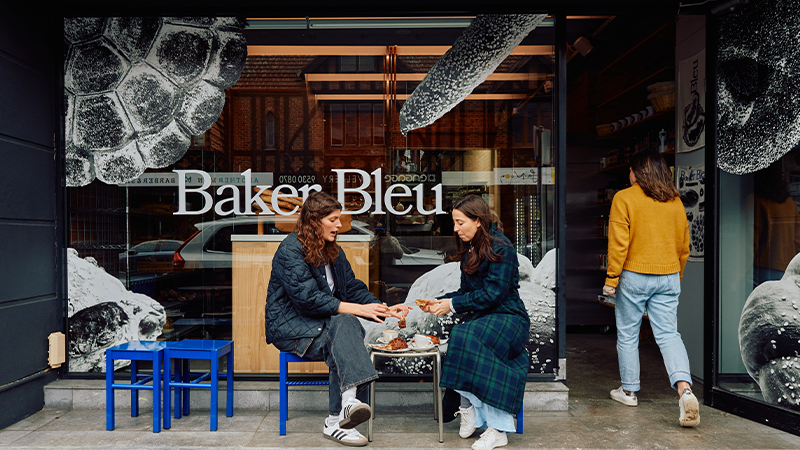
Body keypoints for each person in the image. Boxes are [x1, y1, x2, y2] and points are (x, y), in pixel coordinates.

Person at [264, 192, 411, 447]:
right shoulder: (289, 250)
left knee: (343, 331)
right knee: (346, 326)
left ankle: (343, 411)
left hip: (326, 325)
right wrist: (357, 310)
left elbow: (351, 287)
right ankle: (339, 416)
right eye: (332, 220)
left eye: (339, 219)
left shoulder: (333, 250)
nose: (339, 225)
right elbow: (307, 299)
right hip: (293, 327)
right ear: (314, 221)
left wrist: (381, 308)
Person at [421, 195, 530, 450]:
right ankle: (469, 408)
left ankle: (498, 428)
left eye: (460, 222)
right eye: (455, 223)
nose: (456, 229)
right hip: (485, 318)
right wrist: (439, 302)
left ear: (478, 221)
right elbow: (464, 293)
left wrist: (453, 305)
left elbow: (494, 294)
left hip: (509, 317)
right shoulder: (470, 249)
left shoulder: (502, 247)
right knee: (461, 334)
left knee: (467, 337)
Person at [603, 151, 699, 427]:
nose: (629, 176)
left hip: (634, 275)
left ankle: (629, 391)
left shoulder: (624, 198)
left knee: (628, 335)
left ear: (638, 173)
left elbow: (619, 243)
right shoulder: (675, 201)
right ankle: (685, 390)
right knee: (669, 334)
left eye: (631, 170)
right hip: (668, 274)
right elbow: (684, 245)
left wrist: (612, 280)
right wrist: (676, 274)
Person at [753, 161, 800, 288]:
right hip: (787, 267)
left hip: (763, 266)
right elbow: (797, 240)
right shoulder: (790, 204)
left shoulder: (758, 202)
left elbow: (752, 243)